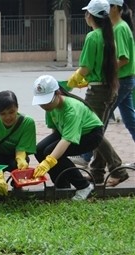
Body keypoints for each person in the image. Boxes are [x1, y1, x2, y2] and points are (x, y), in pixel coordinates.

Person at [67, 0, 128, 186]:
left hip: (98, 92)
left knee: (93, 132)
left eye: (87, 13)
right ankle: (97, 173)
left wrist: (71, 82)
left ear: (90, 16)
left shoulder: (93, 37)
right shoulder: (109, 35)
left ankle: (118, 168)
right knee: (98, 129)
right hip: (109, 88)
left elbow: (85, 67)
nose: (85, 16)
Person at [33, 75, 104, 200]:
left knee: (52, 153)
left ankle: (84, 186)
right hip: (65, 132)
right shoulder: (50, 107)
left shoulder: (72, 110)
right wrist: (50, 157)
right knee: (40, 150)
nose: (44, 105)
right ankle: (62, 186)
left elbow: (66, 140)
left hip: (90, 135)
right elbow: (55, 130)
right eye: (41, 102)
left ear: (58, 93)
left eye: (47, 100)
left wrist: (49, 162)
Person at [108, 0, 135, 167]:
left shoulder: (119, 28)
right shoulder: (120, 26)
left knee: (100, 118)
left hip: (122, 80)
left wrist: (107, 70)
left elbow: (124, 59)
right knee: (130, 120)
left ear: (116, 8)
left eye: (108, 6)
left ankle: (87, 156)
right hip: (126, 79)